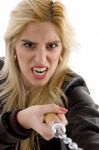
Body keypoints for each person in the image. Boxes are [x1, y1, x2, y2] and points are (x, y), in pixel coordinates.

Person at [0, 0, 99, 149]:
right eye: (29, 45)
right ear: (13, 47)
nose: (40, 58)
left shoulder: (72, 92)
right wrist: (19, 121)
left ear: (62, 50)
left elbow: (89, 132)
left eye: (51, 46)